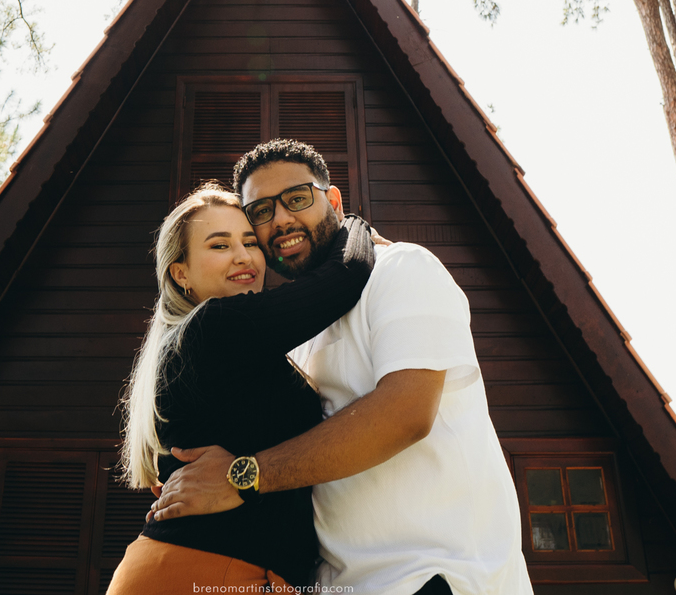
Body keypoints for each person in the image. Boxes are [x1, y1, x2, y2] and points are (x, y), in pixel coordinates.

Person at [149, 140, 533, 595]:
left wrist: (247, 475)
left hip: (432, 574)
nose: (281, 220)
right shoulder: (282, 332)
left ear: (333, 200)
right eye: (260, 213)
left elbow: (406, 413)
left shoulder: (401, 269)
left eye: (297, 199)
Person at [109, 182, 377, 593]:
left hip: (206, 570)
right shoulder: (215, 326)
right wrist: (350, 222)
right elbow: (347, 273)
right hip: (207, 572)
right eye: (219, 246)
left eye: (250, 242)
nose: (244, 256)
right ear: (180, 273)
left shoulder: (200, 342)